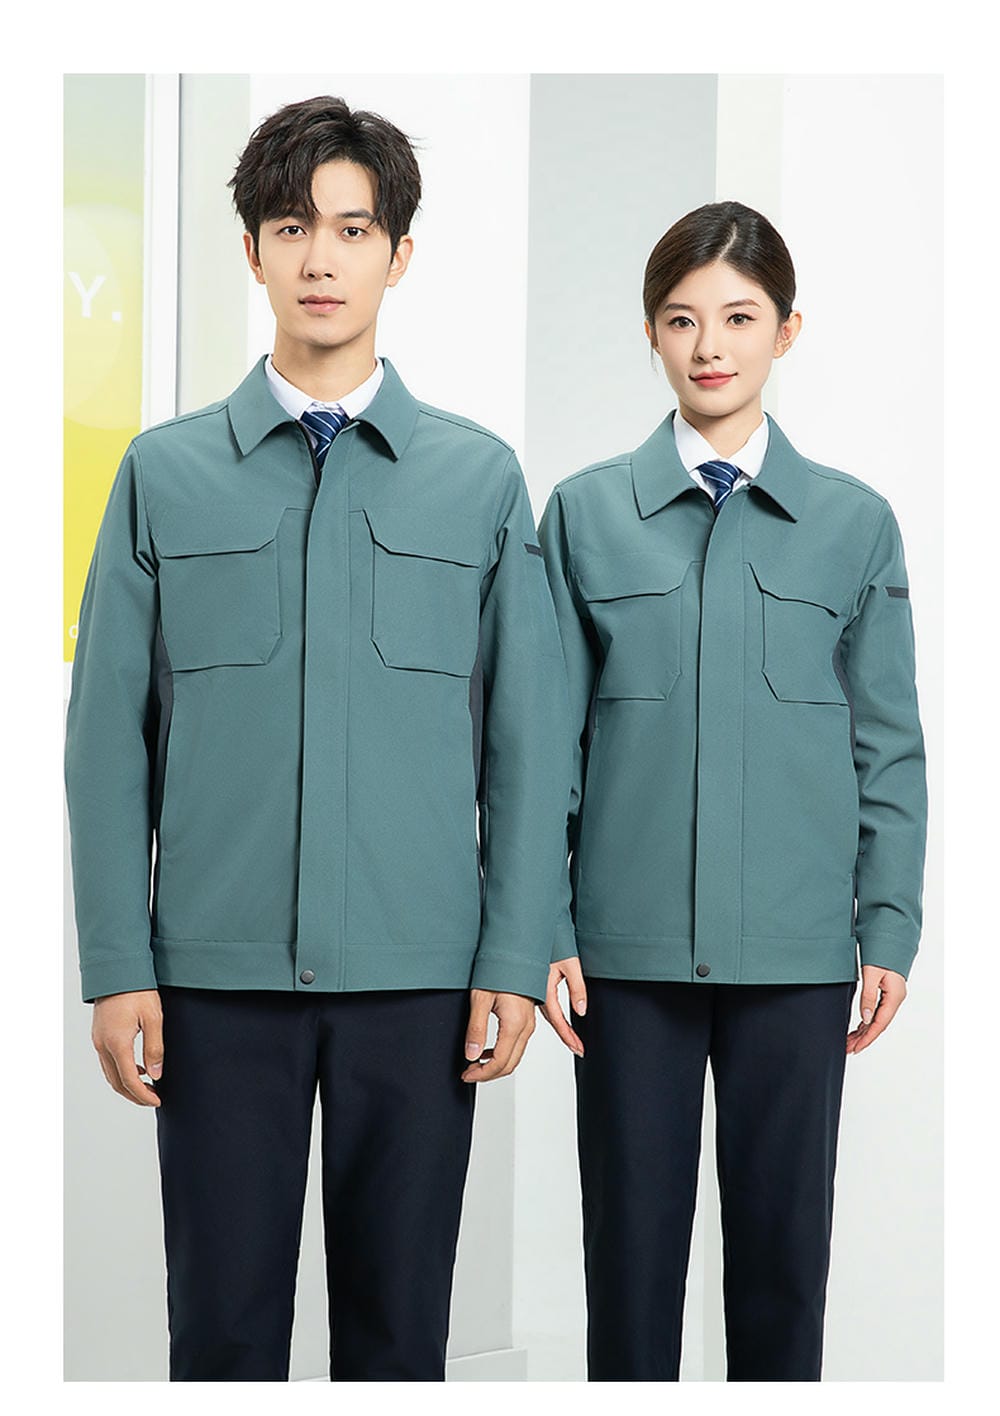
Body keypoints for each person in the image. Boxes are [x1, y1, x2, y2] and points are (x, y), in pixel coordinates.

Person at [64, 94, 571, 1382]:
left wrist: (511, 957)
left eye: (352, 229)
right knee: (221, 1336)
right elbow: (108, 739)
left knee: (398, 1342)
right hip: (215, 981)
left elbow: (526, 744)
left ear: (399, 255)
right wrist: (118, 964)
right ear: (252, 251)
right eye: (292, 228)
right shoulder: (164, 473)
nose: (321, 259)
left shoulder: (478, 479)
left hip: (419, 981)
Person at [536, 200, 927, 1382]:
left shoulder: (853, 525)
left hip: (797, 961)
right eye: (681, 319)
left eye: (740, 317)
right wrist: (543, 926)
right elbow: (542, 745)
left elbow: (888, 746)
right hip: (626, 961)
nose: (710, 345)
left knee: (781, 1273)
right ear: (651, 334)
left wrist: (886, 927)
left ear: (786, 330)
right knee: (629, 1272)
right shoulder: (586, 514)